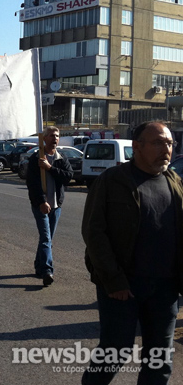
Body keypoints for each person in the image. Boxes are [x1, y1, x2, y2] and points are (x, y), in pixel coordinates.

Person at [81, 122, 183, 384]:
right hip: (123, 287)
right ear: (136, 147)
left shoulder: (174, 182)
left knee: (159, 360)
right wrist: (113, 281)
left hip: (166, 288)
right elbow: (94, 233)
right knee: (114, 352)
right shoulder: (112, 181)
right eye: (159, 142)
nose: (167, 149)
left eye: (170, 143)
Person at [26, 126, 73, 287]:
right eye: (52, 135)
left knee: (47, 239)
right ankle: (47, 271)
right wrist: (41, 201)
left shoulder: (61, 158)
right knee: (46, 237)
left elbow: (68, 177)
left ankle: (39, 266)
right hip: (41, 206)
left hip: (56, 205)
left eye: (57, 136)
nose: (55, 138)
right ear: (44, 138)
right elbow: (32, 183)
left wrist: (50, 168)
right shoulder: (36, 158)